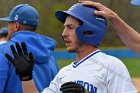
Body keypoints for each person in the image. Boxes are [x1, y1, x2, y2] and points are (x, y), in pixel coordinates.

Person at [6, 3, 137, 93]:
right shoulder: (64, 73)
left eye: (70, 28)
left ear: (88, 31)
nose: (63, 34)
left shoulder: (111, 66)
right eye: (64, 28)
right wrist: (26, 77)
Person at [0, 4, 59, 93]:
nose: (8, 28)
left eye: (9, 24)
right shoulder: (50, 57)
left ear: (16, 26)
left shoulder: (4, 51)